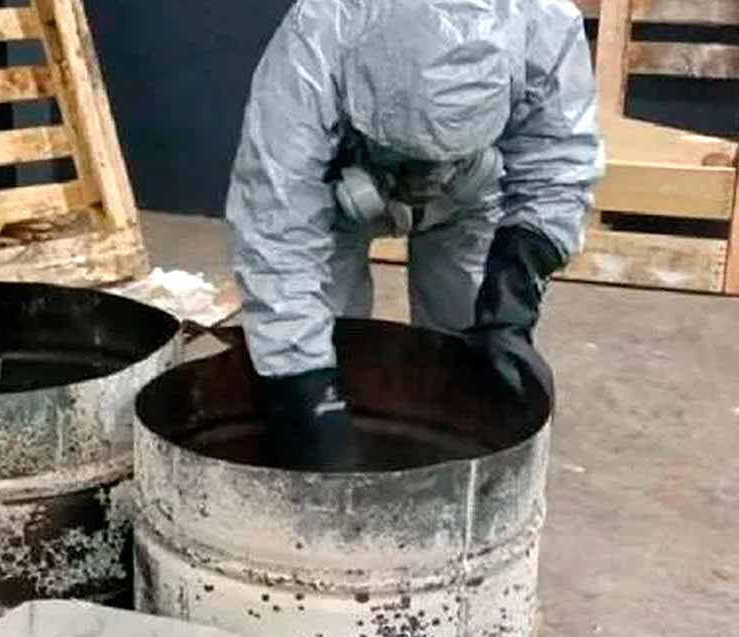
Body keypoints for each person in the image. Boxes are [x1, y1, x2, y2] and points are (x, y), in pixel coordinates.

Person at [226, 0, 603, 471]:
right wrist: (305, 392)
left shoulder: (542, 19)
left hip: (471, 188)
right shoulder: (321, 27)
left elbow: (557, 163)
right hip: (343, 179)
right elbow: (276, 216)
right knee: (320, 347)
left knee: (470, 358)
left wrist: (512, 301)